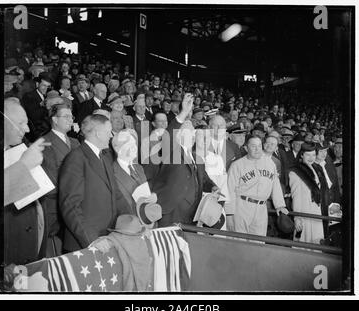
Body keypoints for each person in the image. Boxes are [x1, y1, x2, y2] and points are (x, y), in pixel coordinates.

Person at [152, 93, 219, 227]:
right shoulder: (171, 151)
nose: (193, 135)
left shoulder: (197, 157)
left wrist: (213, 186)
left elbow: (203, 178)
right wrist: (183, 113)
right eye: (187, 131)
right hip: (172, 211)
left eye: (193, 131)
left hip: (192, 213)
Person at [59, 114, 117, 252]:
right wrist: (91, 239)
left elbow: (117, 195)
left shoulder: (104, 157)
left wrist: (134, 223)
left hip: (106, 238)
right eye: (109, 132)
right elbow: (70, 205)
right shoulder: (76, 158)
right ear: (97, 133)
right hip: (86, 244)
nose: (111, 136)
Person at [3, 98, 50, 264]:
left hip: (31, 248)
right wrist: (24, 165)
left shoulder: (18, 148)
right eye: (21, 123)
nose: (27, 128)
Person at [227, 136, 289, 236]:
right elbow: (230, 190)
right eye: (253, 146)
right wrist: (229, 213)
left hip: (262, 208)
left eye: (259, 146)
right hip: (242, 206)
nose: (257, 149)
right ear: (246, 148)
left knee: (259, 242)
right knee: (239, 242)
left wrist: (280, 205)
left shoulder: (270, 163)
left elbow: (275, 186)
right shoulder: (237, 165)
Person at [41, 103, 80, 257]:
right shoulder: (44, 142)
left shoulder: (76, 142)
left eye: (72, 117)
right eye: (66, 116)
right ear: (54, 120)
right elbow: (51, 178)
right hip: (56, 208)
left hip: (75, 204)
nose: (71, 120)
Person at [289, 142, 328, 243]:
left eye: (313, 154)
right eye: (308, 154)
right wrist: (297, 217)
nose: (311, 158)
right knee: (305, 242)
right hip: (304, 211)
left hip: (317, 210)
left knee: (317, 241)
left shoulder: (316, 168)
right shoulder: (295, 172)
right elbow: (296, 196)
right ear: (301, 155)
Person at [112, 129, 157, 216]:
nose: (134, 148)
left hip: (147, 220)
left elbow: (145, 191)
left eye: (135, 144)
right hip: (126, 223)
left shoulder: (139, 168)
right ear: (117, 148)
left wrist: (153, 196)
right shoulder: (111, 171)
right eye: (129, 145)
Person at [21, 72, 52, 141]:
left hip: (47, 130)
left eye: (48, 86)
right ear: (37, 84)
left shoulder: (47, 96)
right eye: (44, 85)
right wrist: (41, 105)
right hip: (37, 134)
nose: (46, 88)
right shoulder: (29, 96)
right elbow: (33, 117)